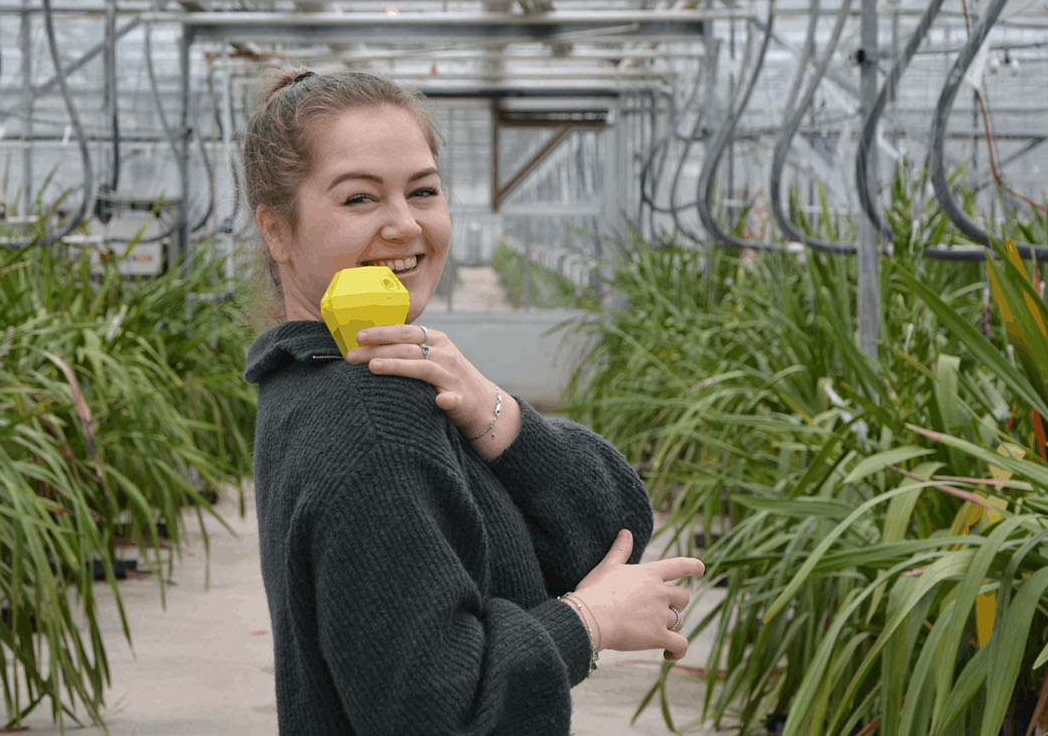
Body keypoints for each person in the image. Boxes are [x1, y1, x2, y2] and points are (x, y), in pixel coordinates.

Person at [242, 68, 704, 735]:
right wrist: (586, 621)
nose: (404, 225)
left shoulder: (312, 377)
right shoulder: (372, 418)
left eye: (423, 190)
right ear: (277, 232)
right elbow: (437, 711)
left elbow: (612, 525)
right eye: (359, 199)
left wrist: (494, 412)